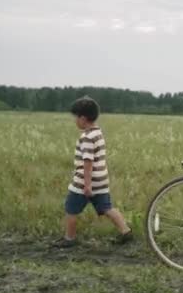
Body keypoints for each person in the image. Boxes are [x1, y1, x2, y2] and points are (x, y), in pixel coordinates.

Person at [52, 96, 133, 248]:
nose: (75, 121)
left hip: (85, 182)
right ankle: (125, 231)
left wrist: (87, 185)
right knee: (107, 208)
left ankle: (69, 238)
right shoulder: (98, 133)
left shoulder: (87, 137)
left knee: (71, 208)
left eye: (75, 117)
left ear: (83, 119)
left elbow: (87, 162)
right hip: (101, 180)